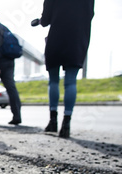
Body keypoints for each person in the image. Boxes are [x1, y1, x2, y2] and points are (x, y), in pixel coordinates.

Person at [39, 0, 95, 138]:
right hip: (77, 38)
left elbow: (45, 19)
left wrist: (40, 21)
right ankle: (66, 123)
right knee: (71, 81)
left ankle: (53, 120)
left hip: (57, 36)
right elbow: (90, 14)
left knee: (53, 81)